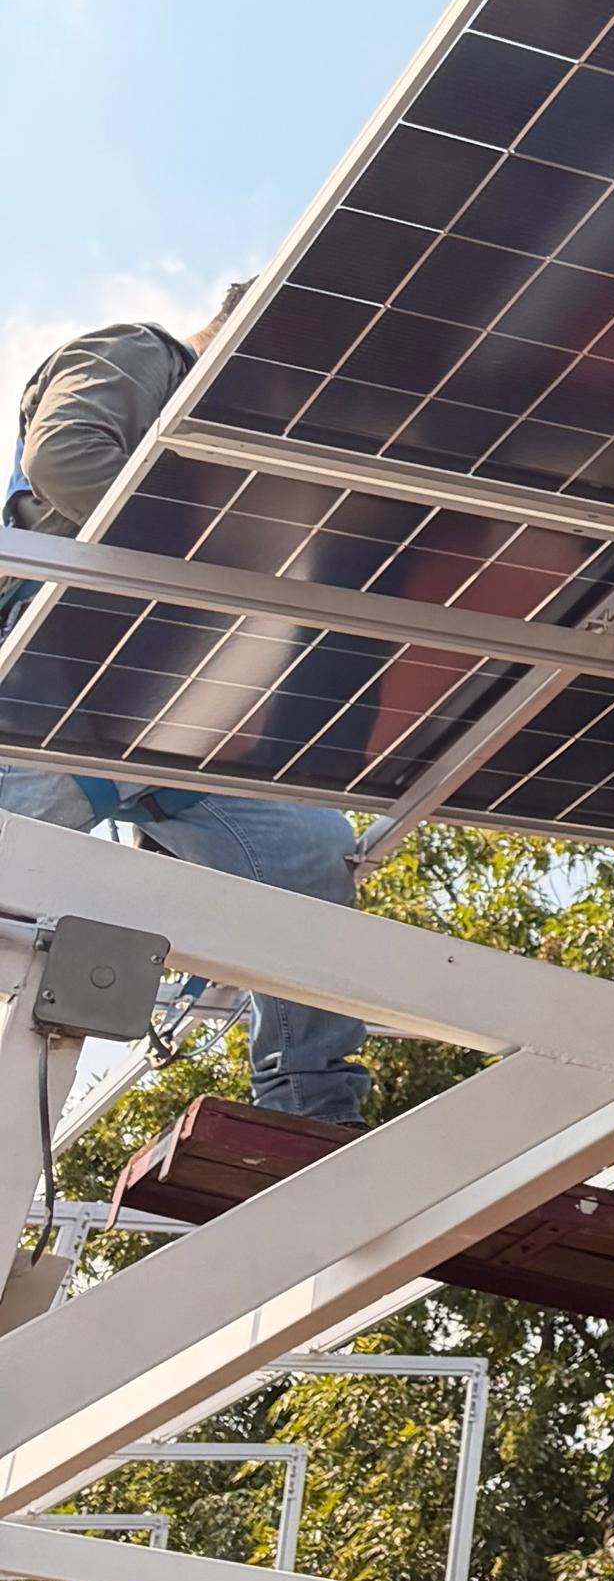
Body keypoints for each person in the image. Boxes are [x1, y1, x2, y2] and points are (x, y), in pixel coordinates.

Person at [0, 301, 371, 1130]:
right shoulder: (143, 354)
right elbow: (62, 457)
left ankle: (312, 1107)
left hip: (172, 720)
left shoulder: (241, 444)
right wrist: (215, 557)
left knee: (311, 853)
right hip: (58, 687)